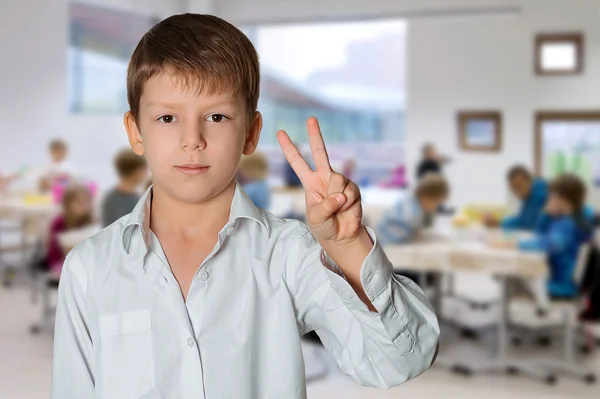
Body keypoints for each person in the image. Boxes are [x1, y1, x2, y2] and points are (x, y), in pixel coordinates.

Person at [51, 14, 439, 399]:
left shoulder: (290, 254)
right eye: (167, 117)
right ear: (136, 131)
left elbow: (400, 360)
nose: (192, 139)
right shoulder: (90, 267)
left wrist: (349, 246)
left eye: (216, 116)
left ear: (251, 133)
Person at [491, 174, 592, 309]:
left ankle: (504, 326)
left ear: (564, 200)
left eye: (552, 196)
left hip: (559, 285)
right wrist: (545, 214)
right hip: (559, 280)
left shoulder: (566, 225)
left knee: (508, 274)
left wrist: (514, 245)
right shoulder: (565, 220)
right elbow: (539, 235)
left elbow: (549, 244)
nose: (548, 200)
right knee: (510, 274)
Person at [377, 173, 450, 245]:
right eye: (437, 203)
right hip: (388, 244)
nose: (435, 208)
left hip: (379, 238)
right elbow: (416, 235)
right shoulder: (413, 213)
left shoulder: (408, 200)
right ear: (427, 198)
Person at [47, 185, 94, 276]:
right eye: (79, 203)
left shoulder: (88, 220)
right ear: (68, 205)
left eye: (86, 202)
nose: (84, 206)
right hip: (60, 261)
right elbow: (55, 251)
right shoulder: (59, 223)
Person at [485, 165, 548, 231]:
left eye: (519, 186)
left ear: (530, 180)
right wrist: (499, 223)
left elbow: (529, 224)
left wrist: (499, 223)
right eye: (513, 189)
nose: (517, 192)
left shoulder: (542, 195)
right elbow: (522, 220)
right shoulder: (528, 197)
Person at [101, 149, 148, 227]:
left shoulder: (138, 197)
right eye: (144, 170)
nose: (146, 174)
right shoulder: (112, 200)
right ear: (137, 171)